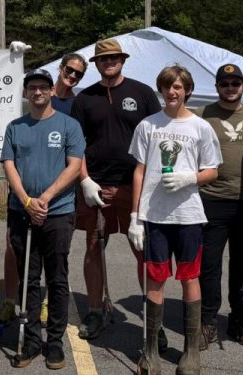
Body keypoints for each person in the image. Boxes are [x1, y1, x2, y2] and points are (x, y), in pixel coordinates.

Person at [128, 65, 222, 375]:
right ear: (161, 90)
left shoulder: (200, 128)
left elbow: (213, 171)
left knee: (189, 277)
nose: (173, 92)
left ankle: (191, 349)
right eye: (168, 87)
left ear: (188, 91)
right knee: (155, 280)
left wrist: (188, 178)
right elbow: (139, 171)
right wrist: (135, 216)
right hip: (154, 216)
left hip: (188, 216)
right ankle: (151, 350)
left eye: (179, 87)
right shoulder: (148, 126)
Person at [70, 38, 162, 340]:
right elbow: (76, 145)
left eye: (113, 58)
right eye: (103, 59)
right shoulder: (84, 99)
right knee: (94, 248)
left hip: (135, 187)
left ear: (122, 60)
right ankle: (95, 310)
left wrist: (146, 186)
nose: (109, 63)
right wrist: (84, 180)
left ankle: (153, 318)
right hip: (96, 187)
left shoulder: (142, 93)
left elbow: (156, 141)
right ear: (96, 64)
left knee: (143, 251)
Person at [1, 68, 84, 369]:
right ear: (25, 93)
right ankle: (32, 339)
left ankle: (55, 343)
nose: (37, 92)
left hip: (58, 211)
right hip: (21, 211)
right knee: (28, 279)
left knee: (57, 277)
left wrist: (45, 199)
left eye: (43, 87)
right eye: (32, 87)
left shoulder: (68, 125)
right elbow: (9, 166)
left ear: (51, 91)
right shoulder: (14, 127)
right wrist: (26, 201)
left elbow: (74, 167)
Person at [196, 64, 243, 350]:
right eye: (224, 84)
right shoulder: (202, 116)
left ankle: (237, 319)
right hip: (212, 199)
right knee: (209, 265)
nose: (230, 88)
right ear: (216, 87)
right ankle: (208, 321)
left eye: (235, 83)